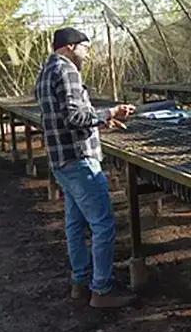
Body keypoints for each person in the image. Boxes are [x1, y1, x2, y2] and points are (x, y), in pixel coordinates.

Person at [34, 27, 137, 309]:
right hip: (79, 159)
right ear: (70, 46)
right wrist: (110, 111)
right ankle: (101, 289)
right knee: (103, 225)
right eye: (85, 48)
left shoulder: (45, 72)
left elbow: (63, 117)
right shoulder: (67, 70)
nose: (87, 54)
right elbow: (75, 116)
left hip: (61, 160)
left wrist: (101, 121)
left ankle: (80, 281)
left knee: (75, 224)